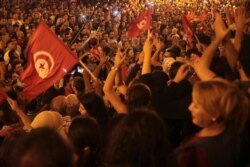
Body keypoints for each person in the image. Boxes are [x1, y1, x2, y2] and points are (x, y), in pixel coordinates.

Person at [176, 79, 249, 167]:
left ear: (214, 113)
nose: (189, 107)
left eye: (196, 105)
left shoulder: (196, 152)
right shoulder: (238, 130)